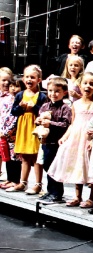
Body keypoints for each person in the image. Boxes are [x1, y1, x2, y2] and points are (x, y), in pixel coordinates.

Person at [47, 72, 93, 209]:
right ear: (80, 86)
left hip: (89, 138)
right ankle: (77, 196)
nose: (88, 86)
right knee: (78, 166)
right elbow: (72, 123)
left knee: (91, 167)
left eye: (91, 84)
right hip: (77, 138)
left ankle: (92, 197)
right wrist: (64, 137)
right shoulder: (76, 104)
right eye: (85, 83)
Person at [6, 65, 47, 194]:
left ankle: (38, 184)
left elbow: (43, 111)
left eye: (32, 77)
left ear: (39, 80)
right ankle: (22, 182)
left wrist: (34, 107)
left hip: (34, 128)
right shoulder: (19, 95)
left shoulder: (41, 96)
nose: (29, 80)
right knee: (24, 156)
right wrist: (21, 107)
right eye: (27, 77)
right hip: (23, 128)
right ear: (23, 79)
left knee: (35, 157)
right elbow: (14, 112)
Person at [35, 77, 72, 205]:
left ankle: (57, 193)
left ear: (64, 93)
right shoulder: (45, 106)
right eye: (50, 91)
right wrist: (39, 121)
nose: (53, 94)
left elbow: (65, 124)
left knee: (55, 167)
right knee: (46, 165)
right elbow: (39, 118)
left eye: (57, 91)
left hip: (57, 143)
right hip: (46, 141)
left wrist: (50, 123)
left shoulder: (65, 108)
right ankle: (50, 191)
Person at [0, 68, 22, 190]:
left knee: (15, 156)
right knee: (7, 155)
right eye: (3, 81)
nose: (7, 85)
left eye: (9, 82)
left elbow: (13, 117)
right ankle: (9, 178)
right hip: (3, 130)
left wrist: (8, 130)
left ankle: (15, 180)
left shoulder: (14, 98)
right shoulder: (3, 97)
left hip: (12, 132)